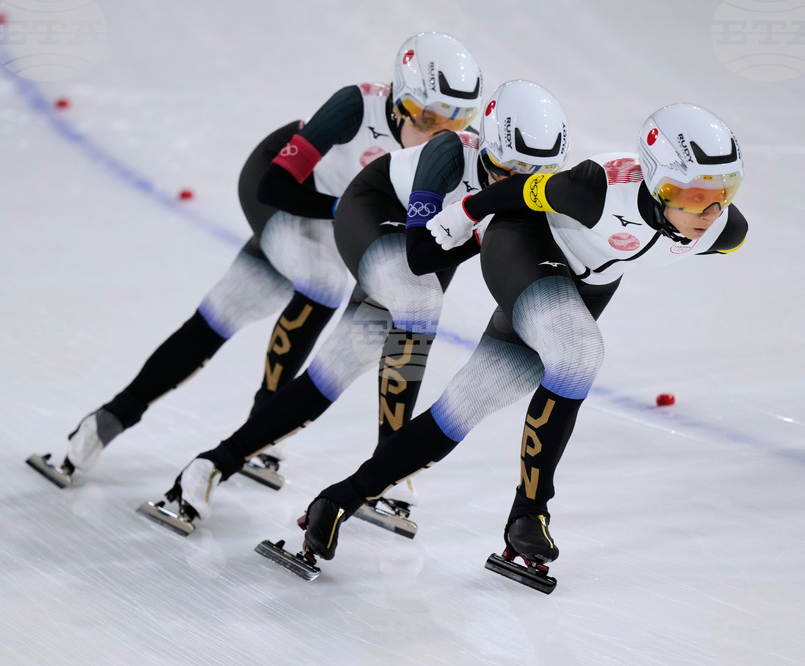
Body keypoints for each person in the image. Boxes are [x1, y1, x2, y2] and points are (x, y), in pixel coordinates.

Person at [269, 103, 749, 592]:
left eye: (723, 195)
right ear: (656, 182)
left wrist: (705, 206)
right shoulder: (595, 187)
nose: (711, 212)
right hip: (523, 243)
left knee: (466, 405)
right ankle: (530, 514)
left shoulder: (724, 230)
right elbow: (517, 190)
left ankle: (337, 501)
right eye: (693, 196)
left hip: (584, 287)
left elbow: (706, 221)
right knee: (579, 353)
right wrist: (461, 215)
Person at [26, 32, 484, 489]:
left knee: (228, 310)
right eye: (428, 118)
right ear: (401, 101)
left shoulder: (456, 155)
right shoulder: (356, 106)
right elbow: (273, 187)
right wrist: (345, 210)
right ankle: (259, 418)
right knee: (321, 284)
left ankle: (105, 421)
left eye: (454, 122)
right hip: (287, 196)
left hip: (342, 218)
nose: (437, 135)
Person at [137, 80, 571, 536]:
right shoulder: (448, 152)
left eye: (532, 178)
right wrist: (480, 212)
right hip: (374, 211)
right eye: (505, 171)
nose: (515, 186)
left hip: (427, 250)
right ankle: (388, 467)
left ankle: (209, 466)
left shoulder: (531, 186)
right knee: (421, 300)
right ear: (486, 150)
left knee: (337, 368)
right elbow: (421, 255)